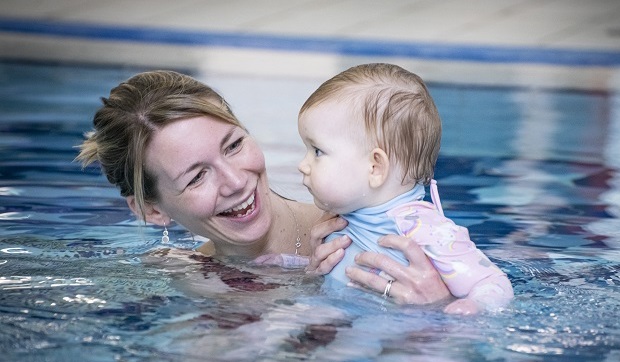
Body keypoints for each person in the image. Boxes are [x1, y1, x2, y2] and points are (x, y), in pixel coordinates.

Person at [76, 69, 451, 305]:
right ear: (151, 210)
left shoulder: (379, 227)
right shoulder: (192, 279)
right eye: (197, 176)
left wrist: (439, 303)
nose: (236, 181)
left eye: (234, 145)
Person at [297, 63, 513, 314]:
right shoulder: (341, 220)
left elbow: (493, 283)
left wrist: (474, 306)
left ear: (375, 168)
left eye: (317, 151)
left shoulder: (422, 229)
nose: (303, 165)